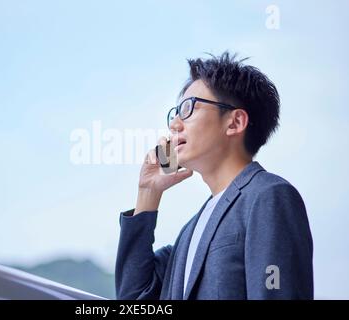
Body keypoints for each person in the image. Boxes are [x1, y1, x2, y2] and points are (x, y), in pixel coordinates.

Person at [115, 52, 313, 300]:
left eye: (188, 109)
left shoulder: (268, 196)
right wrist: (148, 192)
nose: (175, 124)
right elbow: (133, 298)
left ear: (235, 122)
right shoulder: (191, 231)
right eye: (175, 112)